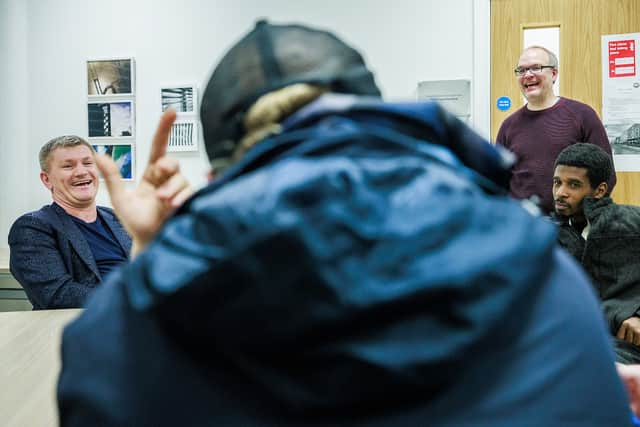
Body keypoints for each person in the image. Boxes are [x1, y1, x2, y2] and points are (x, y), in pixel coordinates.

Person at [57, 21, 634, 426]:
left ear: (221, 166)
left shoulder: (125, 331)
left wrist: (155, 253)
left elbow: (108, 386)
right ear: (372, 108)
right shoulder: (546, 283)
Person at [8, 136, 132, 309]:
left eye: (88, 163)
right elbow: (58, 294)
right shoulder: (32, 227)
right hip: (89, 325)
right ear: (46, 179)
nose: (81, 172)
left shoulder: (116, 218)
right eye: (68, 166)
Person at [496, 45, 616, 214]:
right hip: (523, 226)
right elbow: (498, 180)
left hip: (572, 227)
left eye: (536, 68)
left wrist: (585, 219)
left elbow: (607, 174)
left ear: (553, 74)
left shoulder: (582, 115)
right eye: (521, 70)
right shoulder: (508, 125)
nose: (528, 75)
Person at [552, 143, 640, 364]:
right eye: (557, 183)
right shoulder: (545, 234)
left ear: (599, 190)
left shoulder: (631, 223)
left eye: (573, 185)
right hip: (566, 342)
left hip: (623, 349)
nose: (561, 193)